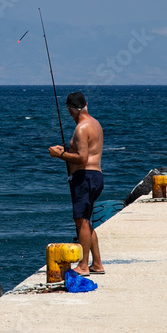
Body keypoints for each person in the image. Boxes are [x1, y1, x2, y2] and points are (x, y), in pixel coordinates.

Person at [47, 92, 105, 275]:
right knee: (86, 221)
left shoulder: (81, 128)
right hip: (95, 176)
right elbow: (84, 150)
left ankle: (83, 266)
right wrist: (66, 149)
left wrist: (60, 155)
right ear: (86, 104)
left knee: (81, 222)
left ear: (70, 109)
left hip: (84, 177)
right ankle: (97, 264)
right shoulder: (95, 124)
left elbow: (82, 158)